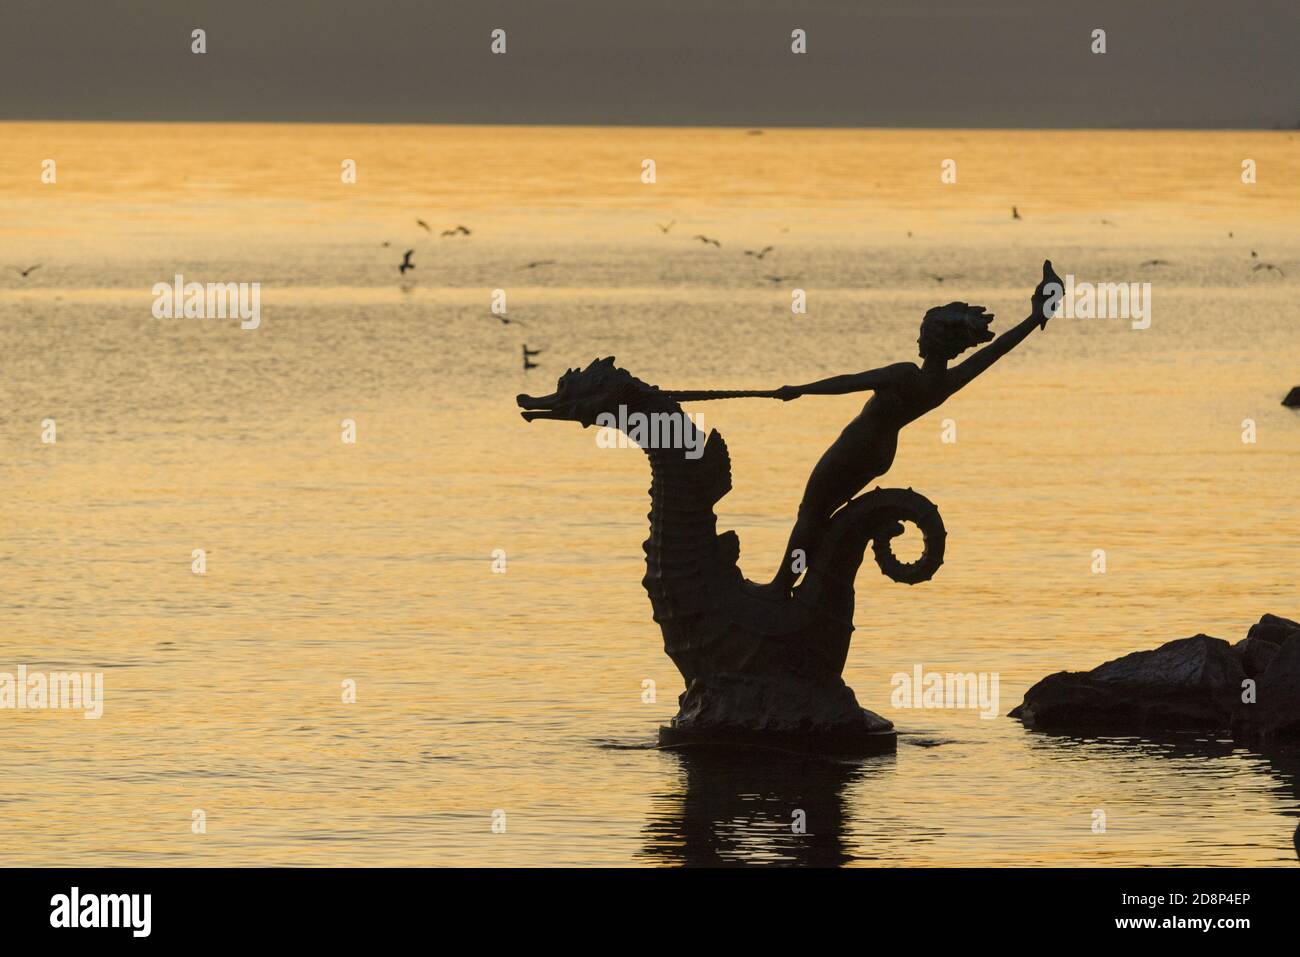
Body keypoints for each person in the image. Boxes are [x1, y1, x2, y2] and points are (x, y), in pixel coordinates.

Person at [756, 259, 1062, 597]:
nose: (917, 338)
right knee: (824, 516)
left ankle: (781, 586)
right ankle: (804, 581)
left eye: (921, 333)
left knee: (811, 513)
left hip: (857, 447)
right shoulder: (945, 382)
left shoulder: (905, 374)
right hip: (881, 454)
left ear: (930, 339)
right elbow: (997, 350)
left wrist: (799, 389)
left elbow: (848, 382)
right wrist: (1036, 317)